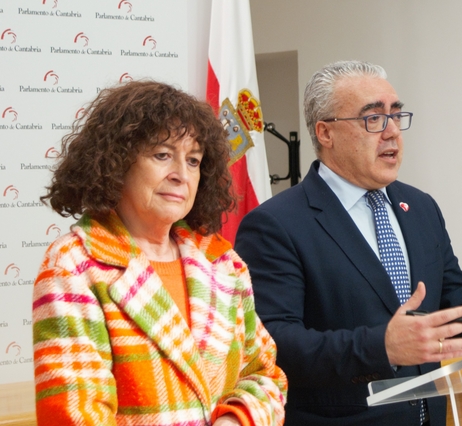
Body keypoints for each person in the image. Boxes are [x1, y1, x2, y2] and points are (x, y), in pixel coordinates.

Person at [234, 60, 462, 426]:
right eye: (373, 119)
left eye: (396, 115)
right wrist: (381, 348)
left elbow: (452, 298)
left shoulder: (420, 207)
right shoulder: (276, 224)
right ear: (325, 133)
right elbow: (274, 345)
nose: (392, 132)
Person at [33, 81, 287, 426]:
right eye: (162, 155)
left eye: (194, 160)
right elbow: (75, 414)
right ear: (116, 161)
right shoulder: (74, 264)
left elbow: (265, 375)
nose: (181, 175)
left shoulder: (223, 262)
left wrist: (236, 420)